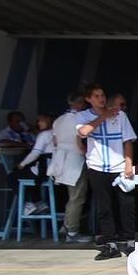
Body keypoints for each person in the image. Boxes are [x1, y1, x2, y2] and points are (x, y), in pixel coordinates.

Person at [76, 83, 138, 260]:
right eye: (96, 96)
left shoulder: (120, 115)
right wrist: (103, 116)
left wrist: (129, 163)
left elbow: (128, 140)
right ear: (88, 99)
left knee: (127, 205)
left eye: (102, 95)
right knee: (104, 206)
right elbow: (83, 132)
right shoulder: (82, 116)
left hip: (119, 166)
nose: (101, 99)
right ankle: (110, 244)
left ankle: (131, 241)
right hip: (97, 166)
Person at [49, 92, 90, 241]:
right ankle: (72, 231)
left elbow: (55, 141)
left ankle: (66, 225)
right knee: (77, 197)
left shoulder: (58, 120)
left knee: (71, 196)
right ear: (80, 104)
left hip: (60, 159)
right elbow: (80, 143)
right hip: (75, 159)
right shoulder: (81, 120)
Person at [11, 113, 56, 213]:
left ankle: (27, 203)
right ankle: (38, 202)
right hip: (56, 171)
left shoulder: (44, 135)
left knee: (12, 177)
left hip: (44, 170)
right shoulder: (59, 133)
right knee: (30, 175)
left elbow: (35, 153)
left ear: (48, 121)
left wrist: (21, 164)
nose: (38, 123)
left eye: (41, 121)